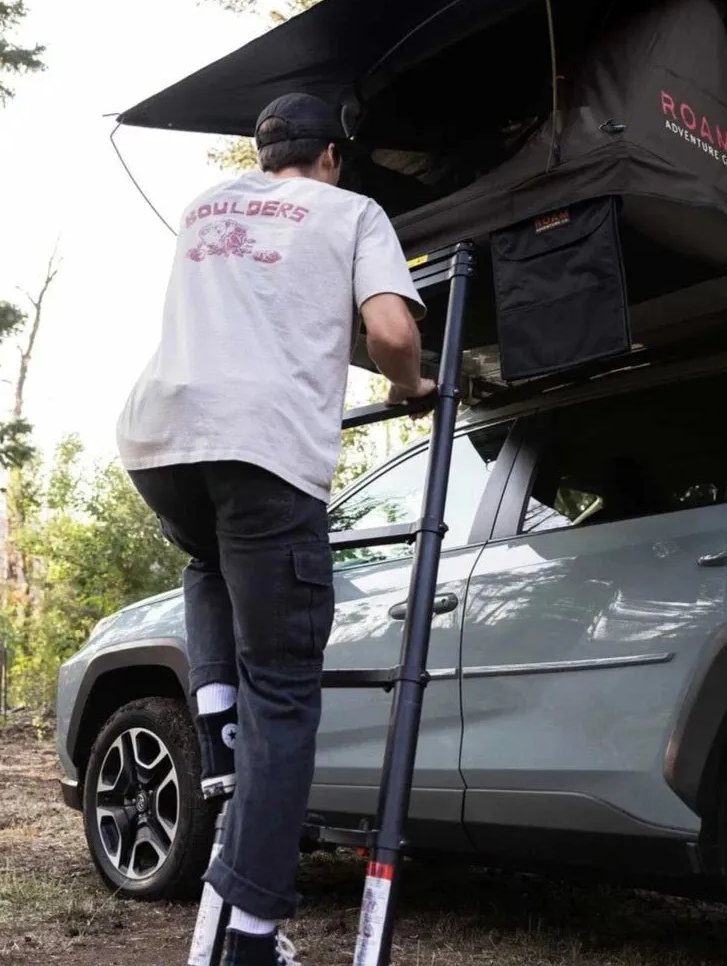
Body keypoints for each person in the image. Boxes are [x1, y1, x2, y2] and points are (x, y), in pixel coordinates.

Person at [116, 92, 434, 966]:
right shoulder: (354, 211)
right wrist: (410, 389)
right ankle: (251, 937)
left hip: (158, 438)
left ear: (265, 155)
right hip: (264, 450)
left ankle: (215, 707)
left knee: (206, 555)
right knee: (286, 696)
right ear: (333, 155)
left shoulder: (204, 205)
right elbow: (392, 330)